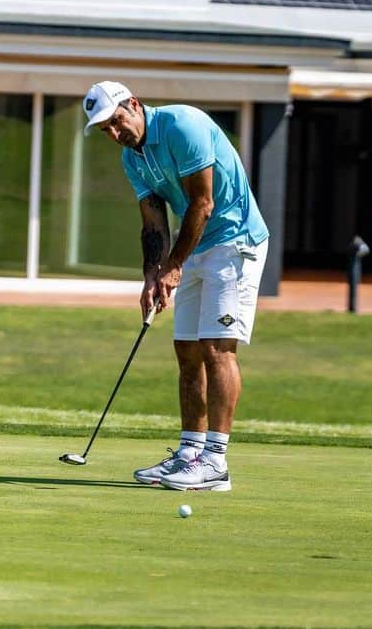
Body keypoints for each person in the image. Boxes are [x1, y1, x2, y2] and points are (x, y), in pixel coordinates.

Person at [82, 81, 269, 492]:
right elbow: (153, 224)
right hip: (194, 244)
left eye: (116, 122)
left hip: (234, 241)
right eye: (105, 131)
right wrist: (152, 274)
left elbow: (203, 204)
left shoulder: (183, 125)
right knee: (186, 349)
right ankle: (189, 455)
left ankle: (215, 463)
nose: (115, 134)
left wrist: (175, 267)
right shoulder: (133, 159)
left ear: (133, 104)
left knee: (216, 347)